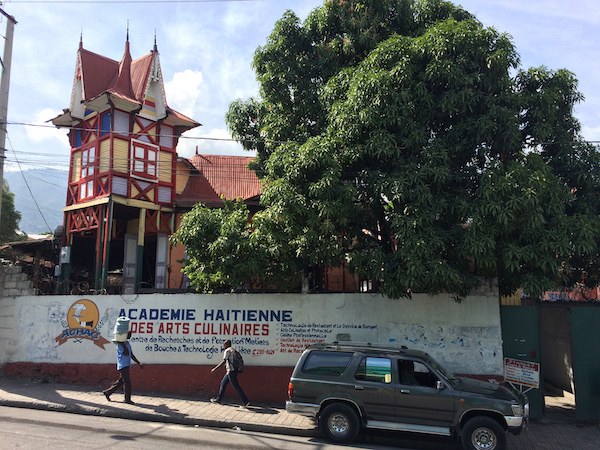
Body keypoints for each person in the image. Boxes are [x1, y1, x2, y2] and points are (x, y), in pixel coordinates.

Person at [103, 331, 143, 404]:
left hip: (126, 365)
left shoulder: (127, 344)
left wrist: (138, 362)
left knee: (121, 382)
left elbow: (131, 354)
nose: (130, 336)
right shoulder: (120, 345)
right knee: (127, 382)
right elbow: (126, 353)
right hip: (122, 365)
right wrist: (122, 343)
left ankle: (108, 392)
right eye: (128, 335)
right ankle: (127, 399)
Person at [210, 339, 249, 407]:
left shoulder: (227, 351)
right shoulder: (233, 350)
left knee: (236, 386)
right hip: (232, 370)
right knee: (223, 383)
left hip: (231, 371)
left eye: (224, 344)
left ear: (227, 345)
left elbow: (224, 361)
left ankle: (246, 401)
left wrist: (215, 368)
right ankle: (219, 399)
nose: (223, 346)